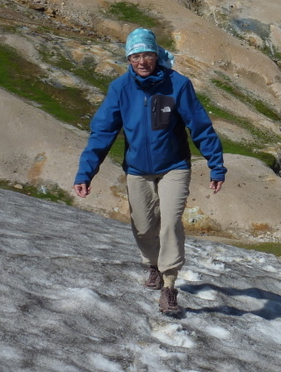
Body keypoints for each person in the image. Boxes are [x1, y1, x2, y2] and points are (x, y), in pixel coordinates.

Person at [73, 28, 226, 316]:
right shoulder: (120, 89)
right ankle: (152, 264)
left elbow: (201, 127)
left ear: (157, 55)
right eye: (135, 56)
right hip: (137, 170)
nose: (142, 61)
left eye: (147, 54)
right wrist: (85, 173)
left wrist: (215, 165)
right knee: (143, 227)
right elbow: (102, 132)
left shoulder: (177, 85)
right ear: (128, 58)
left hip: (175, 167)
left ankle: (169, 286)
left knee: (169, 223)